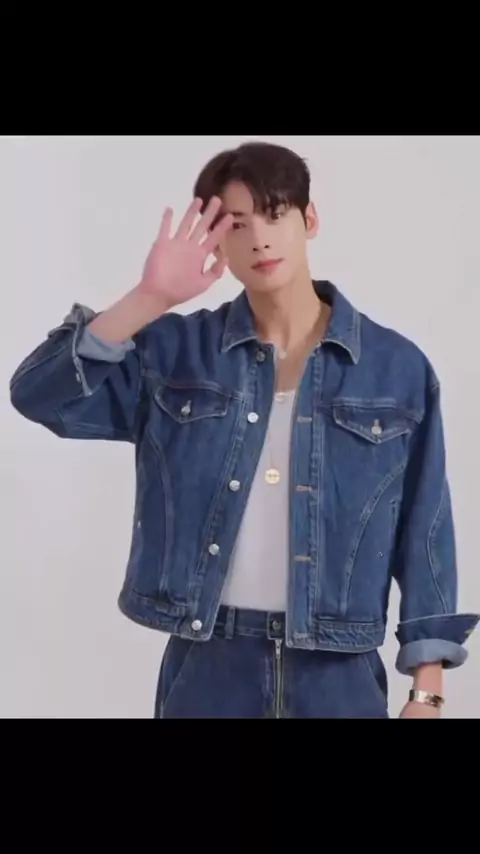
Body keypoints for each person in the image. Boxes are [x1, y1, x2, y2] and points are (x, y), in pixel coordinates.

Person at [10, 140, 479, 718]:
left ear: (309, 220)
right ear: (216, 242)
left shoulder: (395, 369)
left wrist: (427, 691)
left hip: (340, 675)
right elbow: (39, 396)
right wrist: (149, 298)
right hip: (207, 668)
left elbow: (426, 529)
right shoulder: (177, 355)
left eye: (275, 214)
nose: (258, 238)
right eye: (236, 224)